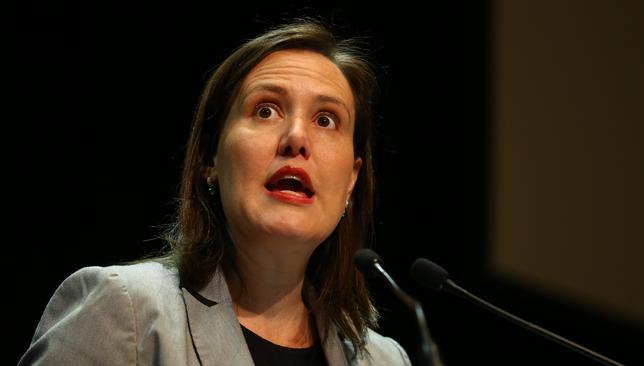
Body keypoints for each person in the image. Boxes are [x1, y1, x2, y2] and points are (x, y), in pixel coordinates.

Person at [19, 20, 439, 365]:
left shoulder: (383, 360)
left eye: (326, 120)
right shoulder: (125, 312)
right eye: (266, 110)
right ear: (210, 160)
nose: (296, 137)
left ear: (351, 180)